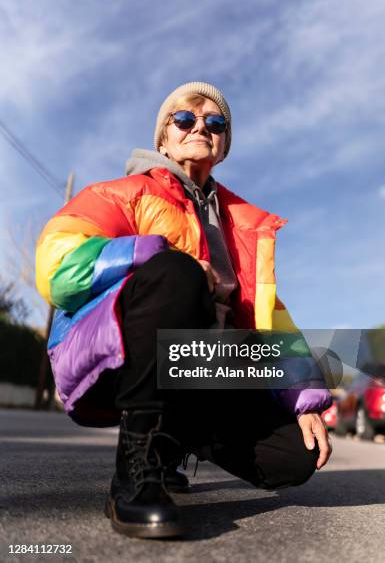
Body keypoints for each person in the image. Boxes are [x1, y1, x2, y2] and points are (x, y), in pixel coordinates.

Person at [35, 81, 332, 539]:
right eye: (184, 118)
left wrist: (305, 398)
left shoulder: (242, 224)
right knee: (178, 272)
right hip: (119, 353)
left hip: (206, 366)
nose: (200, 126)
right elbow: (56, 265)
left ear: (224, 143)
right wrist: (152, 254)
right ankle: (135, 470)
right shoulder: (125, 193)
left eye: (215, 122)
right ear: (163, 138)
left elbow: (272, 317)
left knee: (295, 457)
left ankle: (173, 444)